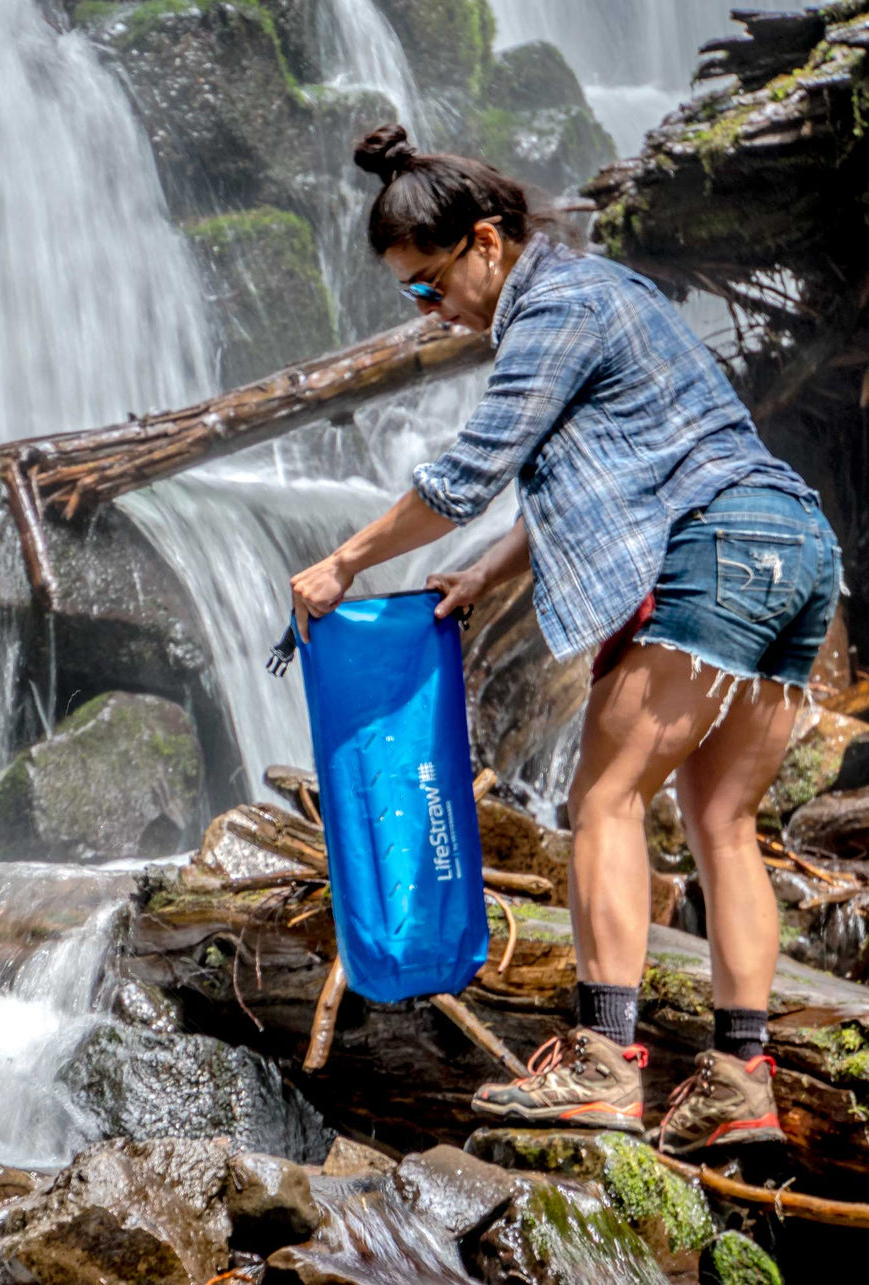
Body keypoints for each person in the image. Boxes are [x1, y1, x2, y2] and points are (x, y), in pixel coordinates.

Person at [290, 124, 842, 1156]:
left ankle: (600, 1063)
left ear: (486, 243)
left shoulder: (553, 308)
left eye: (427, 285)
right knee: (720, 819)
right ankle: (740, 1079)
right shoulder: (607, 294)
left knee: (602, 799)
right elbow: (619, 470)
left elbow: (464, 475)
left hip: (716, 548)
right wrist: (488, 571)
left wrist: (345, 564)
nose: (430, 310)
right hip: (795, 549)